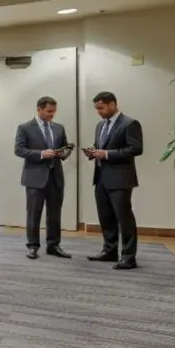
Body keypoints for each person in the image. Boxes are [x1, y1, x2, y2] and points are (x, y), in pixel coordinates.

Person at [84, 91, 142, 270]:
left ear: (112, 104)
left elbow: (135, 149)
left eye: (101, 108)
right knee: (106, 217)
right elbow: (100, 146)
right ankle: (109, 251)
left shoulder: (130, 123)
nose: (98, 112)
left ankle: (128, 257)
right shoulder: (100, 126)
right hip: (101, 178)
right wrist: (93, 151)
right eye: (96, 109)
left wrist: (107, 154)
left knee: (124, 219)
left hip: (121, 179)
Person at [14, 96, 73, 260]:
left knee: (55, 214)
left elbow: (66, 147)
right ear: (39, 109)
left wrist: (65, 153)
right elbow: (19, 150)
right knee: (33, 214)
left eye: (54, 111)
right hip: (34, 179)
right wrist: (41, 154)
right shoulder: (25, 127)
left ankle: (53, 246)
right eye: (49, 111)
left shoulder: (59, 128)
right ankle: (32, 246)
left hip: (56, 178)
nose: (52, 115)